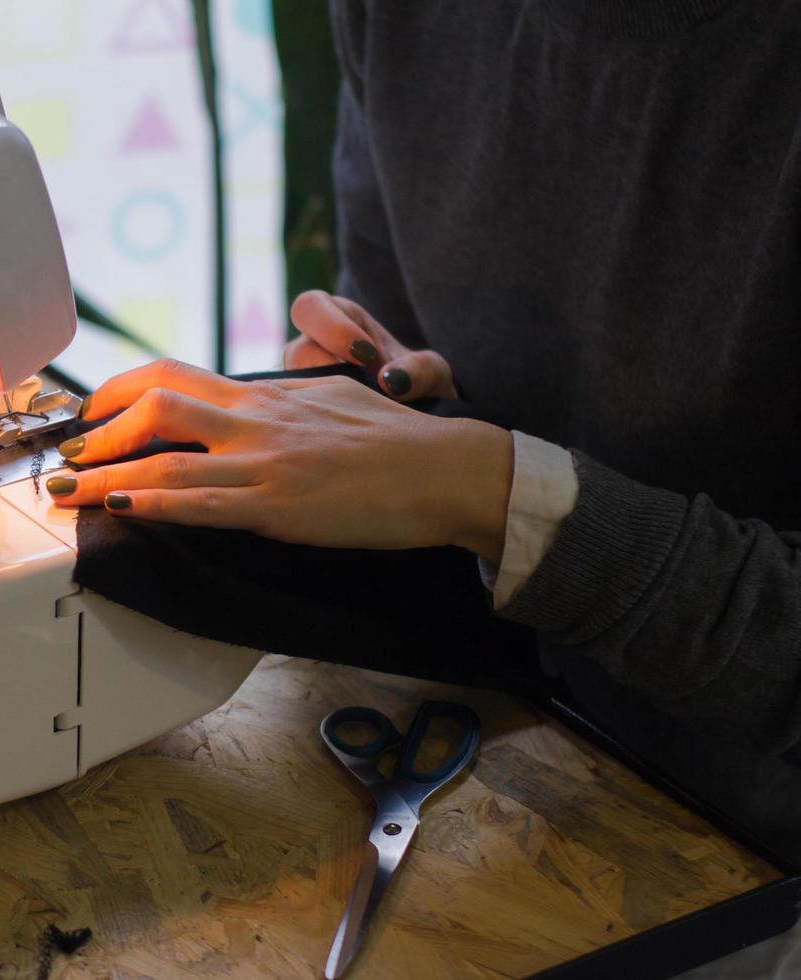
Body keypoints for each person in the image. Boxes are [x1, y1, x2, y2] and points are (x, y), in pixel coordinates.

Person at [47, 0, 801, 901]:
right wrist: (391, 387)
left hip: (746, 851)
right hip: (532, 731)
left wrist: (488, 488)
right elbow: (406, 320)